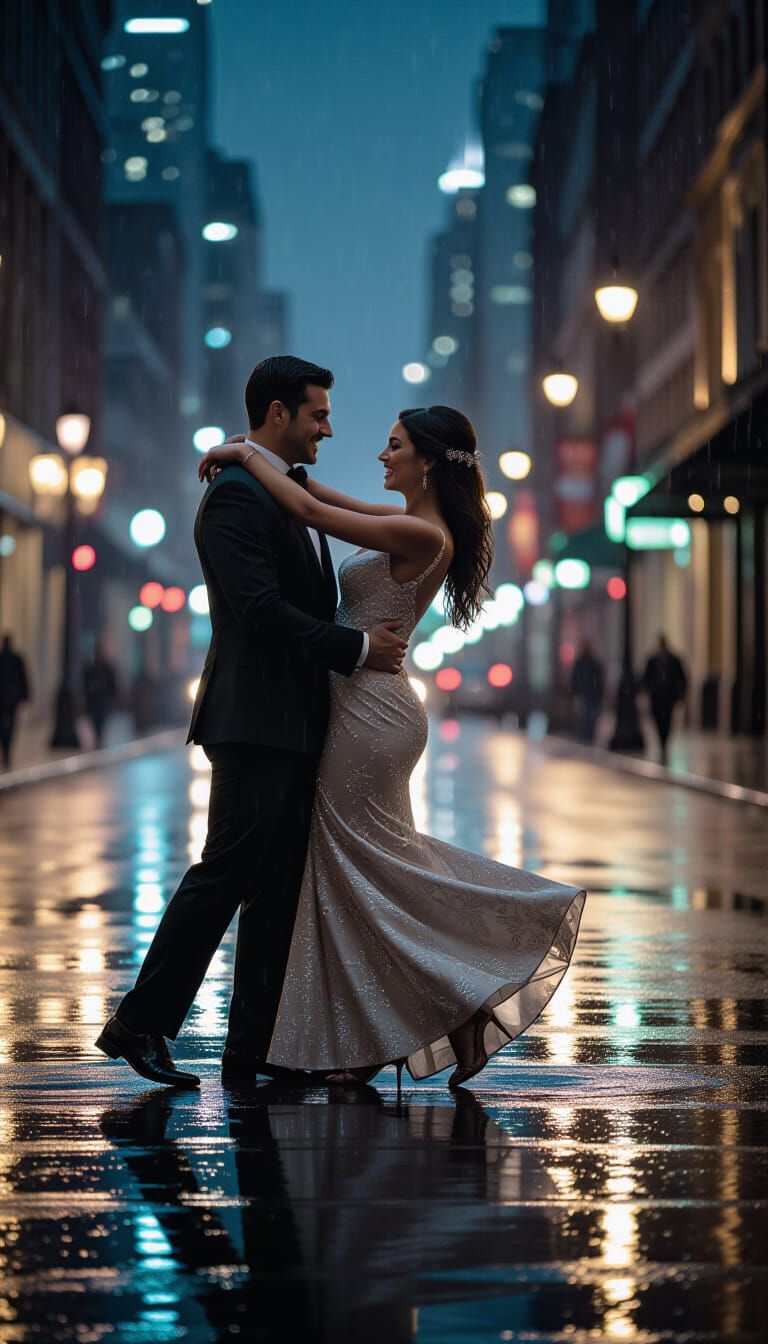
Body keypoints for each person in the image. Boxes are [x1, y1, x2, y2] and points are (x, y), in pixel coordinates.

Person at [198, 404, 586, 1090]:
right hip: (358, 706)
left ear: (428, 459)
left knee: (366, 863)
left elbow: (310, 513)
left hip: (370, 715)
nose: (382, 455)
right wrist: (250, 450)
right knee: (364, 865)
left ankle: (460, 987)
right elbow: (316, 494)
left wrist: (242, 457)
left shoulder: (420, 532)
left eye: (394, 445)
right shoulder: (406, 521)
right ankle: (436, 1013)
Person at [96, 357, 407, 1087]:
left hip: (295, 721)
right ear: (276, 414)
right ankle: (139, 1023)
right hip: (255, 719)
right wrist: (358, 647)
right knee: (226, 873)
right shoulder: (237, 498)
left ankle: (257, 1049)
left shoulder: (283, 487)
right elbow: (260, 613)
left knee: (278, 886)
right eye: (317, 415)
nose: (329, 428)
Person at [641, 633, 687, 764]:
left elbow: (681, 678)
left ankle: (664, 742)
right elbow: (646, 679)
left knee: (667, 720)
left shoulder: (674, 660)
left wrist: (681, 695)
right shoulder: (652, 660)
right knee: (657, 720)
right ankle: (661, 741)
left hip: (669, 697)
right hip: (656, 698)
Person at [0, 634, 29, 769]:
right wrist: (25, 696)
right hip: (12, 699)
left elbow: (23, 678)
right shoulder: (17, 659)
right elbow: (23, 679)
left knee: (5, 725)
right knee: (10, 726)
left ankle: (5, 750)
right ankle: (7, 751)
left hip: (6, 699)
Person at [82, 644, 118, 748]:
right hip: (94, 700)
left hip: (103, 701)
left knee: (101, 721)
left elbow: (112, 685)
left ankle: (99, 739)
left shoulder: (107, 668)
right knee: (95, 720)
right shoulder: (91, 669)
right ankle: (98, 739)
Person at [570, 641, 604, 743]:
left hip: (591, 696)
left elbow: (599, 681)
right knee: (583, 717)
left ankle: (589, 736)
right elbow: (575, 680)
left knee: (590, 717)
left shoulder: (593, 663)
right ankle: (584, 735)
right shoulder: (581, 663)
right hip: (583, 695)